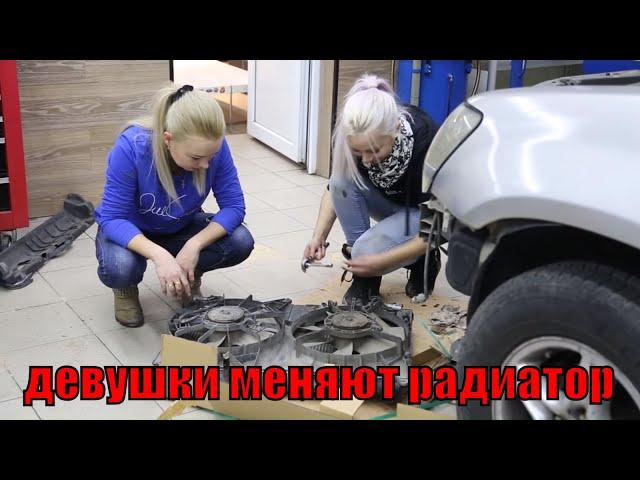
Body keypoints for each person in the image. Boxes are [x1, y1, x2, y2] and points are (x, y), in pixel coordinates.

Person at [94, 84, 254, 328]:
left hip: (180, 227)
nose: (205, 165)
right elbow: (112, 218)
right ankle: (125, 290)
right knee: (120, 268)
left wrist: (194, 246)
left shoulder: (214, 148)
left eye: (210, 157)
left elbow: (234, 207)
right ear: (168, 140)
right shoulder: (131, 147)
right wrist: (160, 256)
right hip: (131, 231)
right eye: (196, 158)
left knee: (240, 241)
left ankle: (189, 274)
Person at [303, 74, 441, 305]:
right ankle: (365, 275)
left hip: (425, 218)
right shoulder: (360, 134)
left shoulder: (428, 145)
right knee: (341, 179)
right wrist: (319, 237)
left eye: (374, 151)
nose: (366, 161)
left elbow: (443, 227)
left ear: (396, 128)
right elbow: (335, 189)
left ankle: (421, 260)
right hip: (392, 203)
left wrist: (381, 261)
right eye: (359, 152)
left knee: (368, 249)